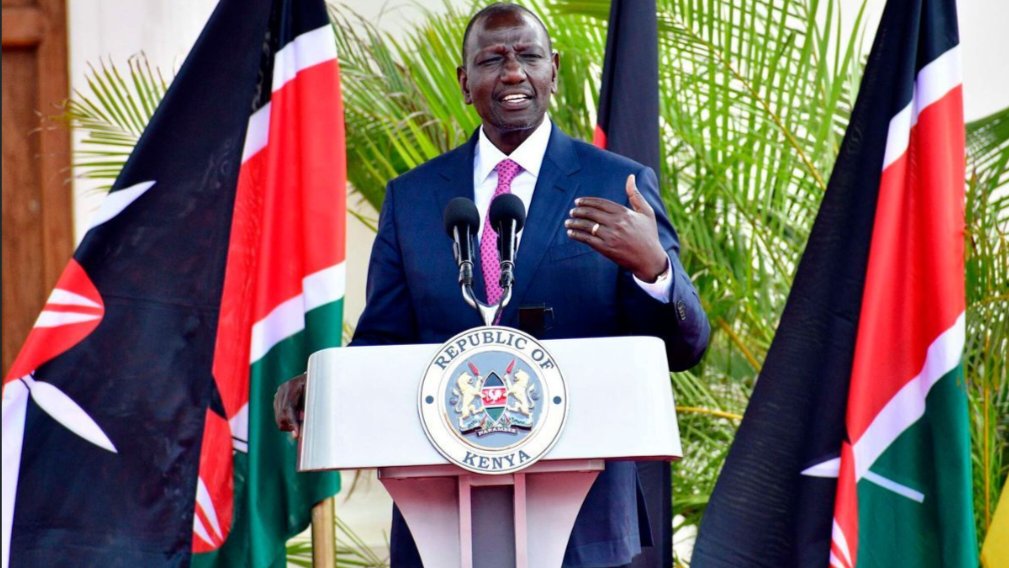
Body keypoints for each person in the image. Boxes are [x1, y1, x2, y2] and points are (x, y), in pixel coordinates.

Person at [275, 3, 709, 566]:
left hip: (583, 530)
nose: (511, 73)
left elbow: (684, 348)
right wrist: (328, 386)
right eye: (492, 59)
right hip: (441, 516)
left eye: (528, 56)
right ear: (464, 82)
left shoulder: (616, 182)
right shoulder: (413, 198)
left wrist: (655, 270)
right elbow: (383, 343)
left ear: (552, 70)